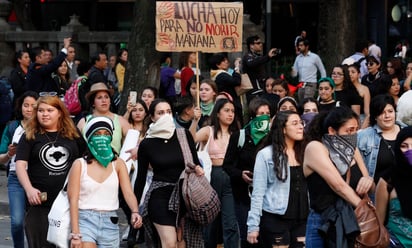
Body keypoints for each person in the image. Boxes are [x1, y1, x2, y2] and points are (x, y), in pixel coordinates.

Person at [15, 95, 86, 248]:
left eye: (49, 110)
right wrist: (29, 189)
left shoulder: (73, 134)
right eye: (40, 110)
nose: (45, 114)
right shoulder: (30, 135)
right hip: (40, 204)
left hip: (69, 203)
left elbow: (87, 159)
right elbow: (20, 165)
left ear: (60, 112)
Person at [135, 99, 204, 247]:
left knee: (182, 243)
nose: (165, 116)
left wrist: (198, 169)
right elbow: (140, 179)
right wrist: (134, 210)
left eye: (168, 112)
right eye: (160, 113)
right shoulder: (147, 144)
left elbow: (195, 162)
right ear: (152, 117)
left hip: (184, 195)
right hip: (160, 195)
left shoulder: (183, 135)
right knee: (170, 243)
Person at [303, 106, 374, 247]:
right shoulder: (315, 147)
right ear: (332, 131)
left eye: (355, 130)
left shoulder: (352, 149)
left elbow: (370, 187)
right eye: (349, 131)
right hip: (323, 222)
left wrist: (369, 180)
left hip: (353, 221)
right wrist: (366, 211)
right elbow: (339, 186)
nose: (354, 135)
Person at [67, 116, 142, 247]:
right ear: (90, 137)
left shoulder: (118, 164)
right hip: (84, 220)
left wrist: (135, 211)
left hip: (110, 221)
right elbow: (73, 199)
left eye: (106, 133)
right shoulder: (79, 164)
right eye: (97, 134)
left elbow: (128, 192)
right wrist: (75, 233)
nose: (102, 137)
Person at [247, 110, 308, 248]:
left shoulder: (306, 152)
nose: (300, 126)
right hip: (275, 217)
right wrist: (253, 226)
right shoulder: (266, 155)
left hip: (302, 218)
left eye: (301, 122)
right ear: (283, 129)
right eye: (295, 123)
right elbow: (258, 192)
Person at [192, 98, 240, 248]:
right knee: (210, 222)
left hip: (230, 177)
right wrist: (195, 121)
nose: (230, 114)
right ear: (217, 113)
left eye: (232, 111)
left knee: (230, 222)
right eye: (226, 110)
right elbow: (189, 139)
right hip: (212, 176)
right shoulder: (209, 131)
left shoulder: (237, 133)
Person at [223, 97, 271, 248]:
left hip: (268, 195)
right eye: (260, 113)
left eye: (267, 114)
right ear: (252, 115)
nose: (264, 117)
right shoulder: (240, 136)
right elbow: (227, 165)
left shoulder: (272, 137)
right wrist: (240, 174)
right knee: (248, 235)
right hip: (243, 195)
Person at [0, 91, 38, 248]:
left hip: (38, 178)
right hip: (16, 178)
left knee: (38, 223)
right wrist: (9, 154)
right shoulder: (12, 127)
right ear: (20, 107)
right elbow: (1, 157)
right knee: (16, 221)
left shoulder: (44, 126)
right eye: (26, 105)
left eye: (33, 106)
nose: (29, 109)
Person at [375, 126, 412, 248]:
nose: (409, 150)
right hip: (396, 242)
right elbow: (379, 223)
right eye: (404, 146)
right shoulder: (387, 181)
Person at [357, 94, 401, 185]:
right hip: (376, 192)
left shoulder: (406, 132)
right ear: (375, 116)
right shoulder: (364, 136)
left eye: (390, 111)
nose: (387, 116)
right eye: (381, 112)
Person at [77, 82, 130, 155]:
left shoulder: (120, 121)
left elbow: (132, 142)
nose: (104, 100)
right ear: (93, 102)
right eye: (99, 97)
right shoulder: (83, 122)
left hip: (114, 164)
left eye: (106, 97)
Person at [242, 35, 279, 100]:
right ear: (251, 46)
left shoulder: (258, 56)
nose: (261, 45)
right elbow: (252, 63)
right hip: (254, 90)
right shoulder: (248, 56)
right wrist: (267, 56)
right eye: (258, 43)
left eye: (261, 43)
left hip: (261, 89)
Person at [291, 39, 327, 103]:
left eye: (301, 45)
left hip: (311, 83)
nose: (299, 47)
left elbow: (322, 70)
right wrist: (292, 71)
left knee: (307, 101)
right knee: (301, 102)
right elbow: (295, 74)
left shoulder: (315, 57)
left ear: (307, 46)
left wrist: (323, 82)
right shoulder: (298, 58)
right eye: (299, 45)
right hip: (301, 84)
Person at [348, 63, 371, 129]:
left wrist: (362, 128)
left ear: (359, 74)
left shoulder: (364, 89)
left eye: (353, 72)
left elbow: (367, 113)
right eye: (348, 72)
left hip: (361, 120)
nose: (350, 74)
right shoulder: (345, 89)